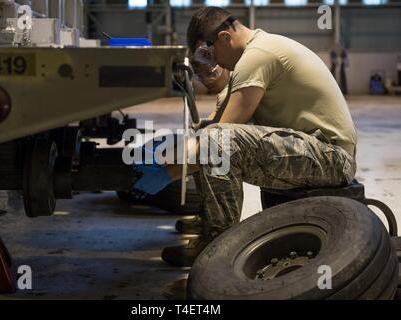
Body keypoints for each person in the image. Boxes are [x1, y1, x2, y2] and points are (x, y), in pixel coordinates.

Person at [132, 6, 358, 267]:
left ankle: (216, 248)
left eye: (209, 52)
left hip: (331, 156)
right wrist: (175, 152)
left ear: (225, 38)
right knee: (207, 135)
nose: (212, 63)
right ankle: (209, 222)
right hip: (313, 150)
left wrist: (166, 173)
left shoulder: (257, 56)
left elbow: (217, 141)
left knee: (215, 142)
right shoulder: (257, 52)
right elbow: (215, 126)